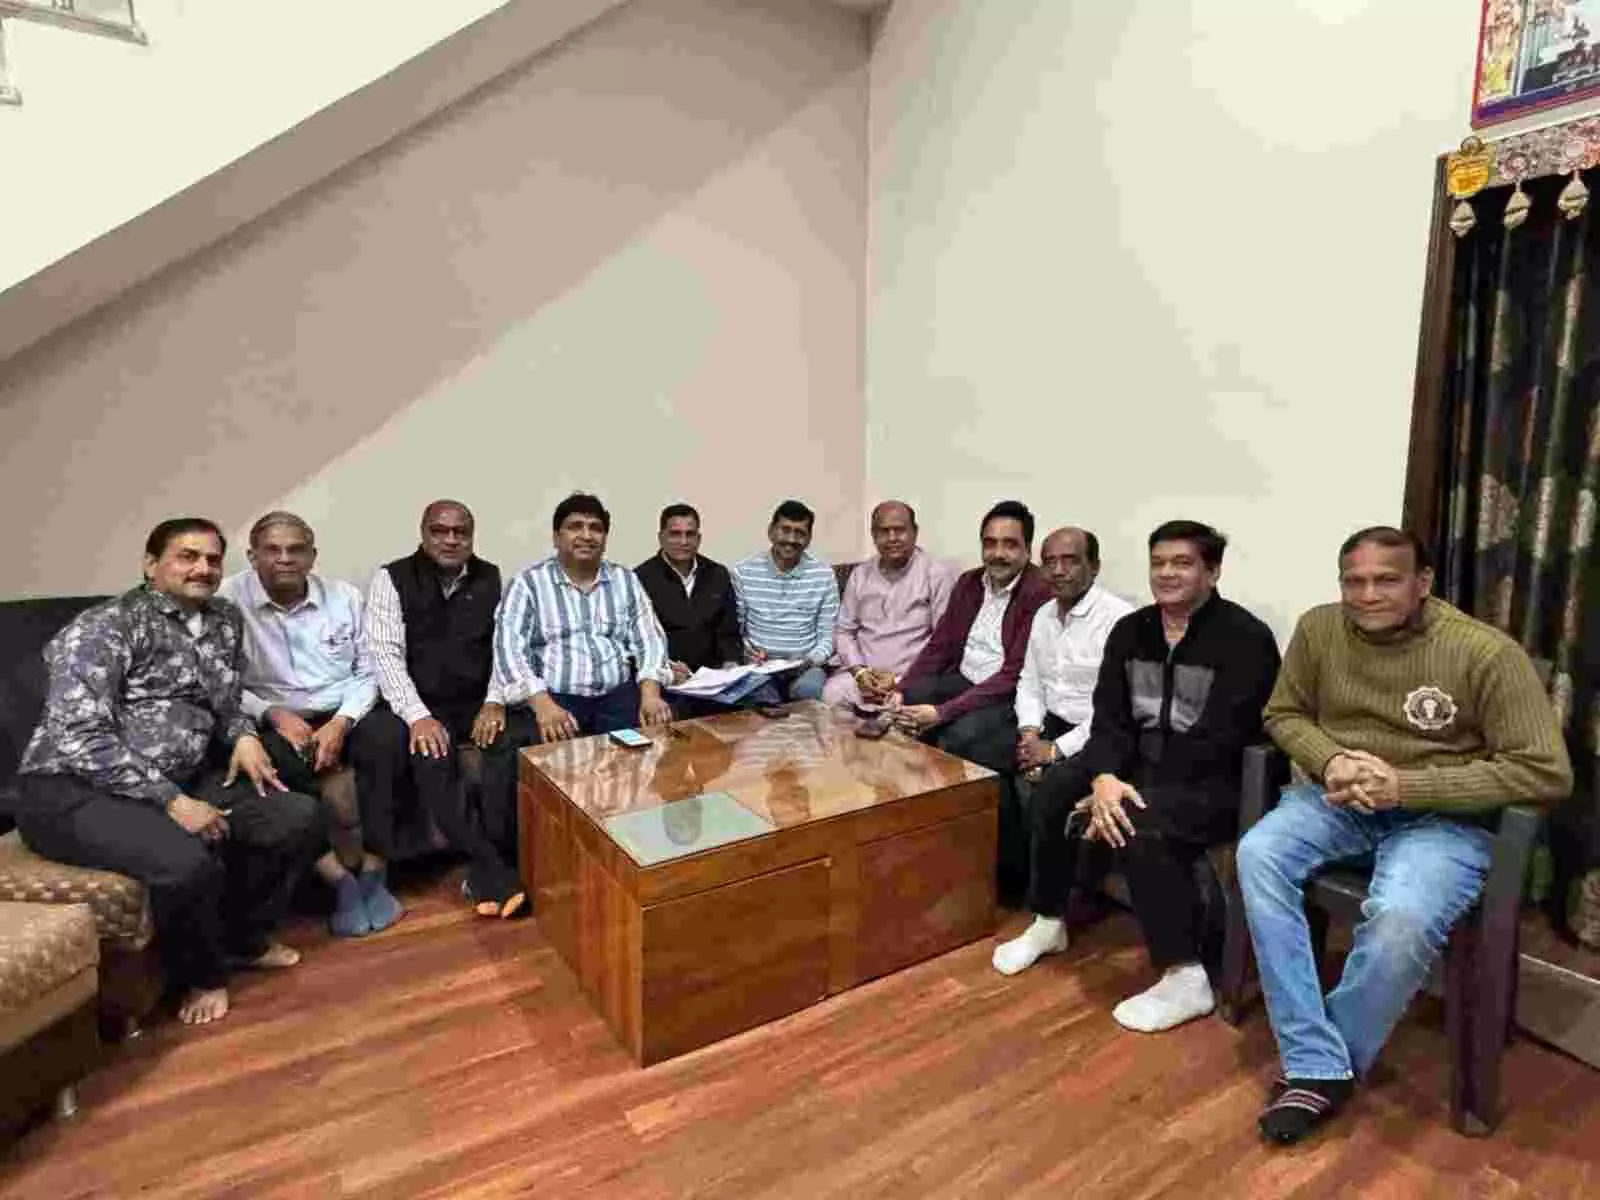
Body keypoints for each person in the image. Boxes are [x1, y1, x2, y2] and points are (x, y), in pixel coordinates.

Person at [1237, 527, 1572, 1145]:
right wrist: (1331, 759)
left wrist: (1408, 786)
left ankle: (1318, 1066)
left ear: (1422, 583)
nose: (1367, 595)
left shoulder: (1484, 653)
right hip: (1341, 799)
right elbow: (1283, 714)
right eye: (1354, 581)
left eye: (1386, 580)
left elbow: (1545, 771)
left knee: (1401, 917)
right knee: (1258, 853)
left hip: (1445, 819)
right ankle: (1319, 1058)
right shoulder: (1318, 629)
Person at [13, 518, 324, 1027]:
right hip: (71, 790)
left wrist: (244, 735)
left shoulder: (224, 619)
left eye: (212, 559)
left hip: (181, 777)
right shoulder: (105, 626)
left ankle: (242, 939)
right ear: (151, 564)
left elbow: (227, 702)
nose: (203, 568)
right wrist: (172, 802)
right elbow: (81, 736)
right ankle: (203, 976)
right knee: (185, 862)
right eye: (187, 556)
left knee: (295, 815)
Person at [1077, 520, 1280, 1034]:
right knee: (1061, 785)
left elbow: (1223, 739)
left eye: (1182, 563)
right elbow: (1109, 718)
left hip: (1220, 784)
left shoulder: (1245, 638)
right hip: (1139, 772)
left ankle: (1185, 974)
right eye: (1158, 563)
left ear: (1213, 572)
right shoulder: (1132, 631)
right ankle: (1051, 919)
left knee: (1135, 819)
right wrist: (1104, 777)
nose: (1166, 573)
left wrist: (1127, 793)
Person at [218, 512, 405, 939]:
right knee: (274, 760)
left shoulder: (343, 597)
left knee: (391, 738)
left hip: (344, 708)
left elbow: (370, 670)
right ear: (252, 555)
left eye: (296, 550)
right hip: (274, 717)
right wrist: (272, 712)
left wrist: (342, 721)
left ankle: (374, 868)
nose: (285, 558)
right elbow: (221, 680)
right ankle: (337, 878)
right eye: (273, 550)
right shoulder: (226, 602)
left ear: (312, 556)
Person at [362, 500, 527, 920]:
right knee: (433, 753)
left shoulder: (491, 577)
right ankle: (489, 866)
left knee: (511, 742)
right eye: (440, 531)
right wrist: (417, 716)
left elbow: (503, 649)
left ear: (472, 536)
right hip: (420, 703)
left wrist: (494, 701)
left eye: (460, 532)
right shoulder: (391, 578)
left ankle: (501, 856)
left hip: (475, 702)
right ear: (423, 533)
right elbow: (385, 655)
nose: (451, 540)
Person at [992, 527, 1134, 975]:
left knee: (1050, 789)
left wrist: (1053, 752)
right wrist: (1030, 733)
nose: (1057, 570)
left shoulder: (1119, 621)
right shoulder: (1044, 615)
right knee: (983, 754)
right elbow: (1030, 682)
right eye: (1049, 560)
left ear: (1094, 565)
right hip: (1048, 722)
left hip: (1099, 732)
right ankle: (1012, 884)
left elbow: (1113, 711)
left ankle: (1049, 919)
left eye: (1070, 560)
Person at [493, 492, 674, 744]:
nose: (587, 536)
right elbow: (509, 651)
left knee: (653, 744)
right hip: (554, 699)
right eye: (575, 526)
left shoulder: (625, 580)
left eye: (596, 528)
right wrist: (542, 704)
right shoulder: (528, 583)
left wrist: (651, 694)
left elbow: (650, 640)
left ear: (605, 538)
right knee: (551, 760)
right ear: (556, 537)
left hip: (618, 698)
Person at [887, 501, 1051, 774]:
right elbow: (939, 646)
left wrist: (942, 712)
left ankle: (954, 798)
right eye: (990, 543)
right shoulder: (969, 583)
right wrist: (901, 689)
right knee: (907, 701)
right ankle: (911, 790)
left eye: (1010, 544)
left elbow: (1013, 674)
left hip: (1006, 696)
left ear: (1027, 548)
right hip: (964, 680)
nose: (997, 554)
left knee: (959, 737)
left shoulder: (1039, 592)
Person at [822, 500, 954, 712]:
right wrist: (860, 672)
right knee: (832, 693)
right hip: (863, 676)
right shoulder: (860, 575)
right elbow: (844, 631)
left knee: (908, 703)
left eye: (899, 530)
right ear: (874, 535)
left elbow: (943, 640)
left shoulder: (936, 574)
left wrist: (901, 682)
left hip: (910, 678)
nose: (892, 538)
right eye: (884, 531)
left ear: (915, 532)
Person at [634, 503, 743, 710]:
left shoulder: (718, 574)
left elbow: (728, 632)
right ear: (661, 537)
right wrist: (667, 669)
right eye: (675, 534)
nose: (683, 541)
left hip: (714, 678)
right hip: (668, 679)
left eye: (690, 534)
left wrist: (731, 665)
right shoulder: (640, 578)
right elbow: (639, 641)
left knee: (756, 705)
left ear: (699, 538)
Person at [731, 500, 841, 703]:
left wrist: (810, 660)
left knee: (809, 690)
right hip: (759, 666)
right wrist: (747, 651)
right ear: (771, 532)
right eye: (785, 530)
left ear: (809, 538)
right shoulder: (743, 572)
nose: (791, 539)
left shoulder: (823, 575)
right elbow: (735, 630)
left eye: (800, 533)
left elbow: (829, 636)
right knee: (763, 699)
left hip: (806, 666)